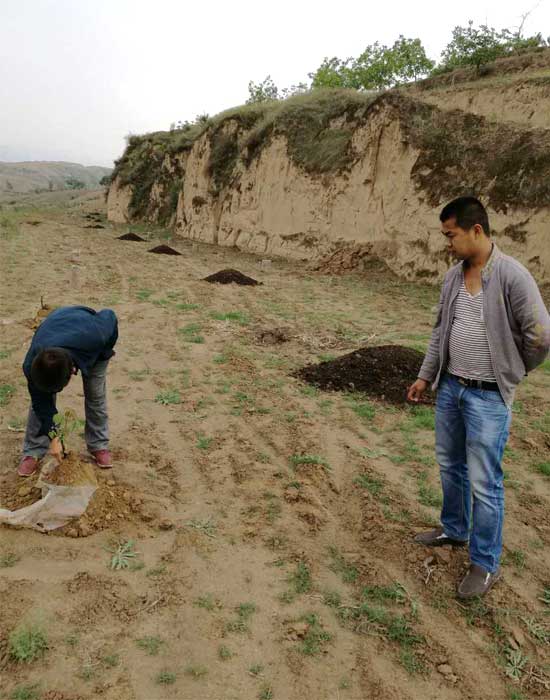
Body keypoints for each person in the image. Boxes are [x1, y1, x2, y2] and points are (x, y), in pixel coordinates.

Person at [407, 196, 550, 599]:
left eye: (451, 235)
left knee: (485, 483)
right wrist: (426, 376)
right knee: (450, 465)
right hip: (451, 388)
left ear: (476, 230)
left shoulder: (512, 276)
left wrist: (513, 369)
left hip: (488, 398)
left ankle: (485, 563)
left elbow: (541, 336)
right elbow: (440, 331)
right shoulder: (453, 277)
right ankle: (454, 530)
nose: (447, 243)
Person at [19, 305, 119, 477]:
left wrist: (103, 352)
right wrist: (55, 439)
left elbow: (109, 315)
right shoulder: (32, 365)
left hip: (92, 339)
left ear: (72, 371)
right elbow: (41, 404)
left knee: (95, 395)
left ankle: (98, 445)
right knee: (40, 401)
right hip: (57, 327)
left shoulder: (97, 335)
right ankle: (33, 450)